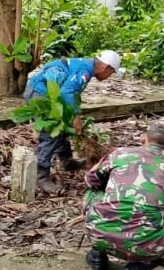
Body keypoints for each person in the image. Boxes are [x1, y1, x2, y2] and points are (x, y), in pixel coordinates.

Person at [83, 120, 164, 270]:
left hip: (97, 231)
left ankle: (98, 254)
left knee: (93, 193)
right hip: (144, 245)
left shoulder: (120, 154)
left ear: (143, 139)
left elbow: (91, 179)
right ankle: (139, 268)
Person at [23, 50, 120, 194]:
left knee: (62, 127)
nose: (108, 77)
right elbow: (67, 92)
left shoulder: (86, 66)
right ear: (104, 68)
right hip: (40, 94)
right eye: (111, 73)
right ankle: (41, 175)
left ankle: (66, 161)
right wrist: (76, 116)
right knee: (51, 132)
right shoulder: (85, 71)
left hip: (47, 93)